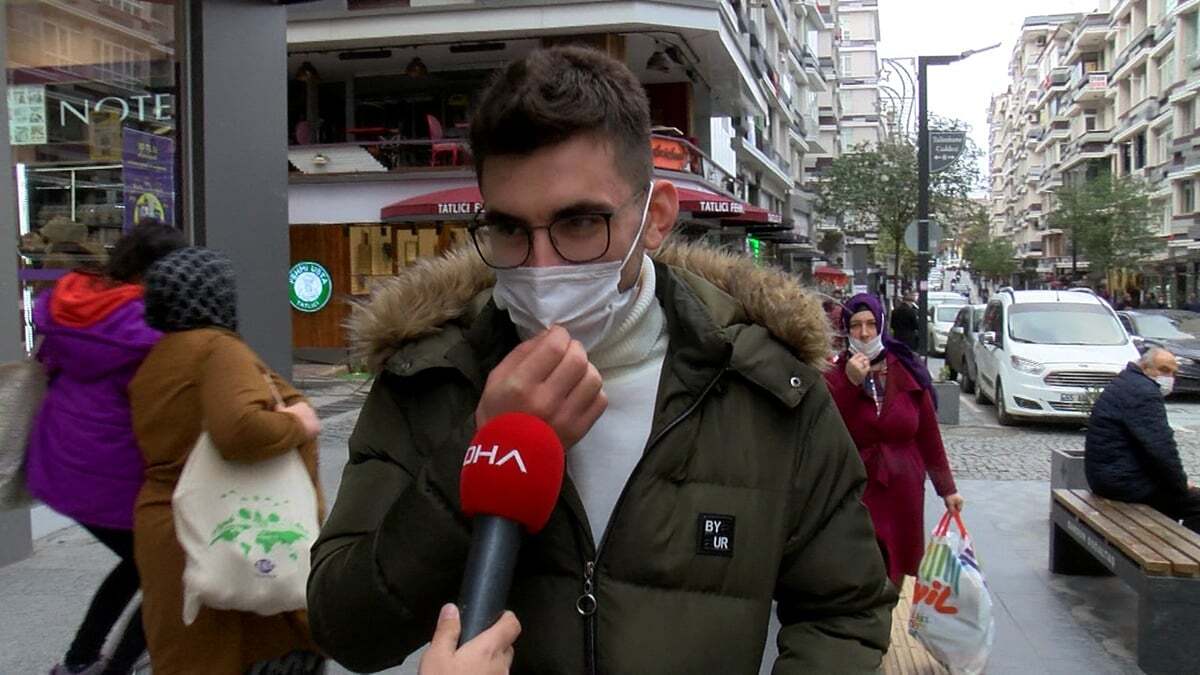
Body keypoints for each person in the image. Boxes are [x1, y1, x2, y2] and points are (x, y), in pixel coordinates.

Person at [308, 46, 894, 673]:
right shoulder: (428, 376)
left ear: (655, 217)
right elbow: (346, 628)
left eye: (580, 223)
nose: (541, 267)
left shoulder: (768, 383)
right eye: (508, 229)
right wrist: (480, 449)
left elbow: (846, 612)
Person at [128, 248, 325, 674]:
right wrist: (299, 422)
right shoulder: (217, 349)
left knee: (189, 656)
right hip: (231, 530)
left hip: (172, 526)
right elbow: (239, 429)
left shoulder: (159, 358)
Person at [25, 224, 185, 675]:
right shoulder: (148, 325)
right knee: (170, 570)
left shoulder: (74, 301)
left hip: (61, 461)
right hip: (110, 471)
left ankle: (79, 661)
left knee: (141, 562)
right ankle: (115, 666)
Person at [824, 293, 965, 585]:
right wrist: (849, 383)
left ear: (882, 326)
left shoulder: (906, 368)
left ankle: (885, 623)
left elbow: (928, 434)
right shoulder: (836, 372)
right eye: (855, 325)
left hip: (903, 488)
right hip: (856, 487)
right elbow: (827, 426)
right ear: (845, 330)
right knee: (858, 568)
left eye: (871, 324)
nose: (864, 333)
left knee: (896, 569)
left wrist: (947, 489)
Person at [1085, 348, 1200, 533]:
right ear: (1145, 367)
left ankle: (1172, 543)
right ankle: (1189, 555)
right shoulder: (1144, 392)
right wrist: (1180, 485)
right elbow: (1161, 448)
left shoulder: (1126, 381)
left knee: (1177, 500)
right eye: (1163, 370)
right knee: (1196, 503)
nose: (1170, 377)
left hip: (1107, 476)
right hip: (1123, 484)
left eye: (1173, 373)